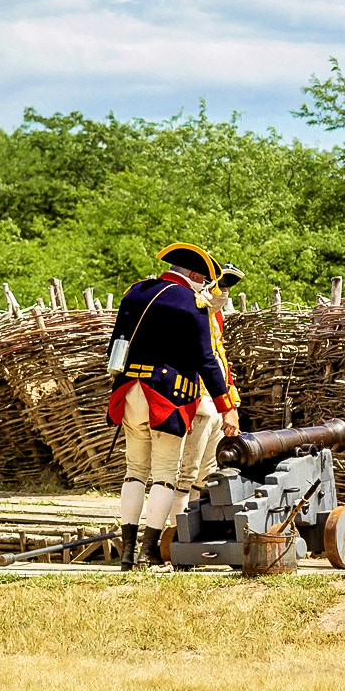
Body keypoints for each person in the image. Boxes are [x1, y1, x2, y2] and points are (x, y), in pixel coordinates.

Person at [106, 243, 240, 571]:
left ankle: (127, 554)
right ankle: (148, 552)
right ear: (193, 274)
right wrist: (227, 406)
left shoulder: (135, 292)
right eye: (203, 279)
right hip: (167, 398)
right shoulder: (191, 303)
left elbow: (115, 346)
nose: (204, 286)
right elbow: (206, 360)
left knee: (134, 473)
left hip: (129, 391)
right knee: (165, 476)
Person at [170, 263, 246, 527]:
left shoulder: (215, 317)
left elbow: (220, 360)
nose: (223, 292)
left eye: (226, 288)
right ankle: (174, 532)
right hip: (194, 399)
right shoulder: (189, 312)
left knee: (207, 474)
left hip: (214, 401)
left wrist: (230, 404)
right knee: (186, 473)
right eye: (219, 286)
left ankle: (192, 529)